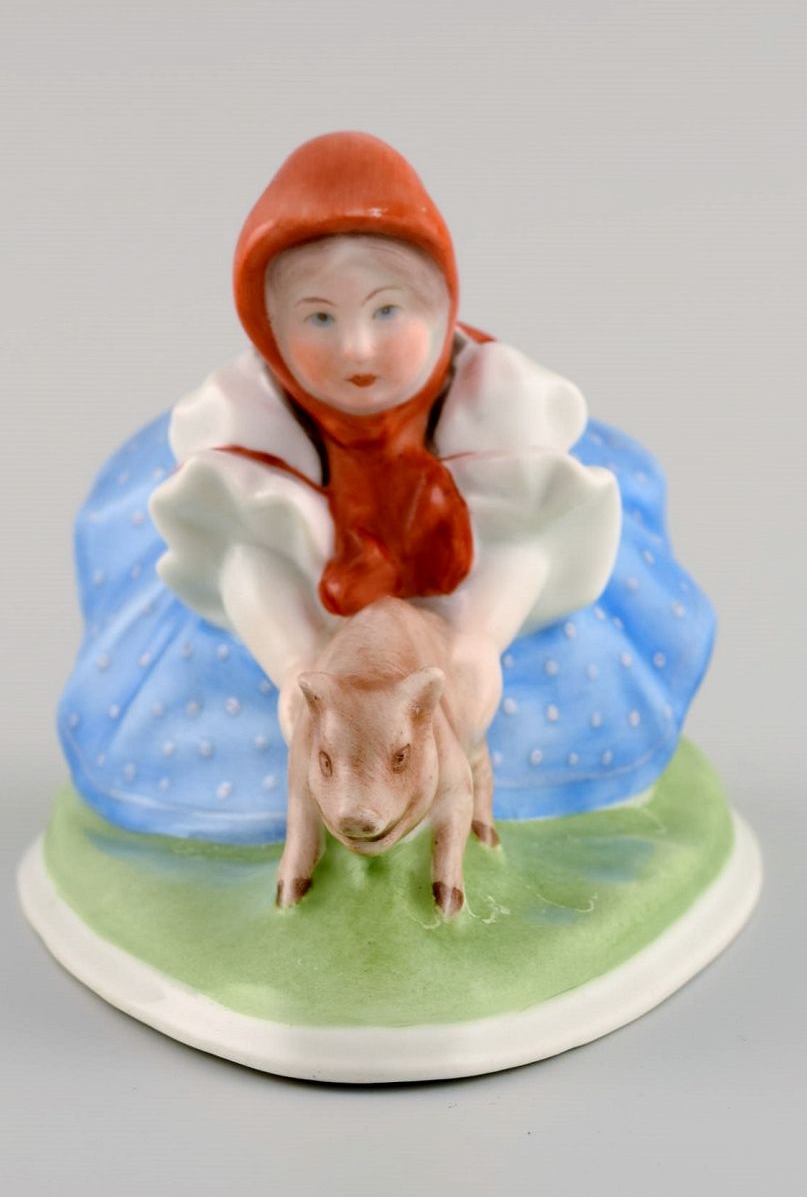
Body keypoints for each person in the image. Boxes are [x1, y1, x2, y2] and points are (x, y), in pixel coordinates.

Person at [58, 133, 714, 842]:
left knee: (533, 684)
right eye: (319, 318)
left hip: (474, 619)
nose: (357, 348)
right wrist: (294, 665)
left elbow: (524, 539)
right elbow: (244, 560)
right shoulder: (247, 428)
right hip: (303, 641)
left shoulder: (498, 409)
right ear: (269, 327)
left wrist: (479, 641)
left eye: (387, 312)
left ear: (438, 302)